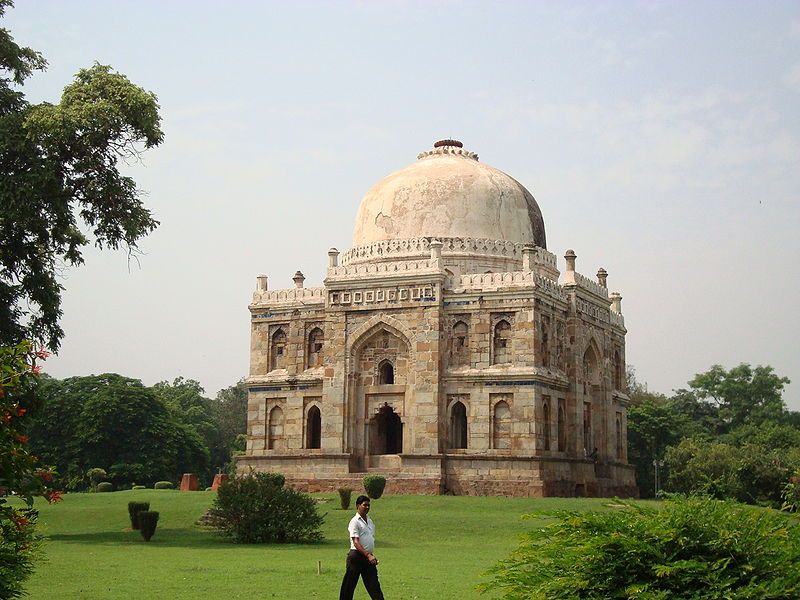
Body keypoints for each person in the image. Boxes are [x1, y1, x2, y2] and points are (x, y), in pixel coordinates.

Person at [339, 495, 385, 600]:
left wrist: (370, 555)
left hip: (368, 557)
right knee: (349, 586)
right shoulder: (355, 521)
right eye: (364, 505)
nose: (367, 507)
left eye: (368, 505)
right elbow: (356, 542)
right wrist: (368, 555)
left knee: (374, 585)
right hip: (356, 557)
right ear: (358, 506)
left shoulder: (370, 521)